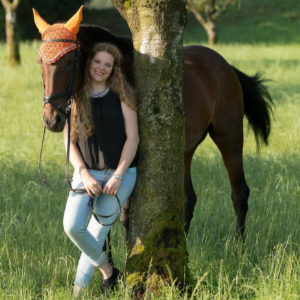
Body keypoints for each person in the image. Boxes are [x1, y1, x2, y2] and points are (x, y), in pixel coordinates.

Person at [62, 42, 139, 296]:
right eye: (97, 62)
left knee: (95, 234)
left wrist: (118, 174)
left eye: (108, 64)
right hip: (86, 174)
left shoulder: (123, 94)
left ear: (114, 69)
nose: (101, 68)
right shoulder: (74, 96)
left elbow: (133, 139)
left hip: (121, 175)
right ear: (89, 62)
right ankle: (109, 272)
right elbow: (68, 141)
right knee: (72, 227)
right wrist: (84, 174)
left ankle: (77, 293)